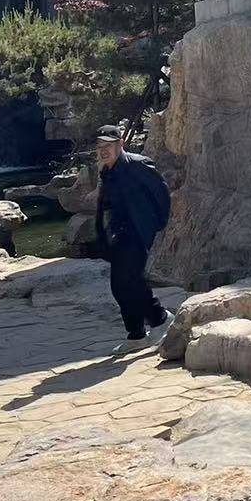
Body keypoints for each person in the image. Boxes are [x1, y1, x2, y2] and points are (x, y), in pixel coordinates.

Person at [94, 127, 171, 348]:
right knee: (120, 285)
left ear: (120, 144)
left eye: (108, 145)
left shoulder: (136, 164)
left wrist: (156, 224)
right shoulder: (107, 171)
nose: (104, 150)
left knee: (129, 281)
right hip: (119, 233)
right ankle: (138, 333)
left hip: (138, 232)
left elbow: (161, 193)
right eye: (100, 147)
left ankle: (158, 319)